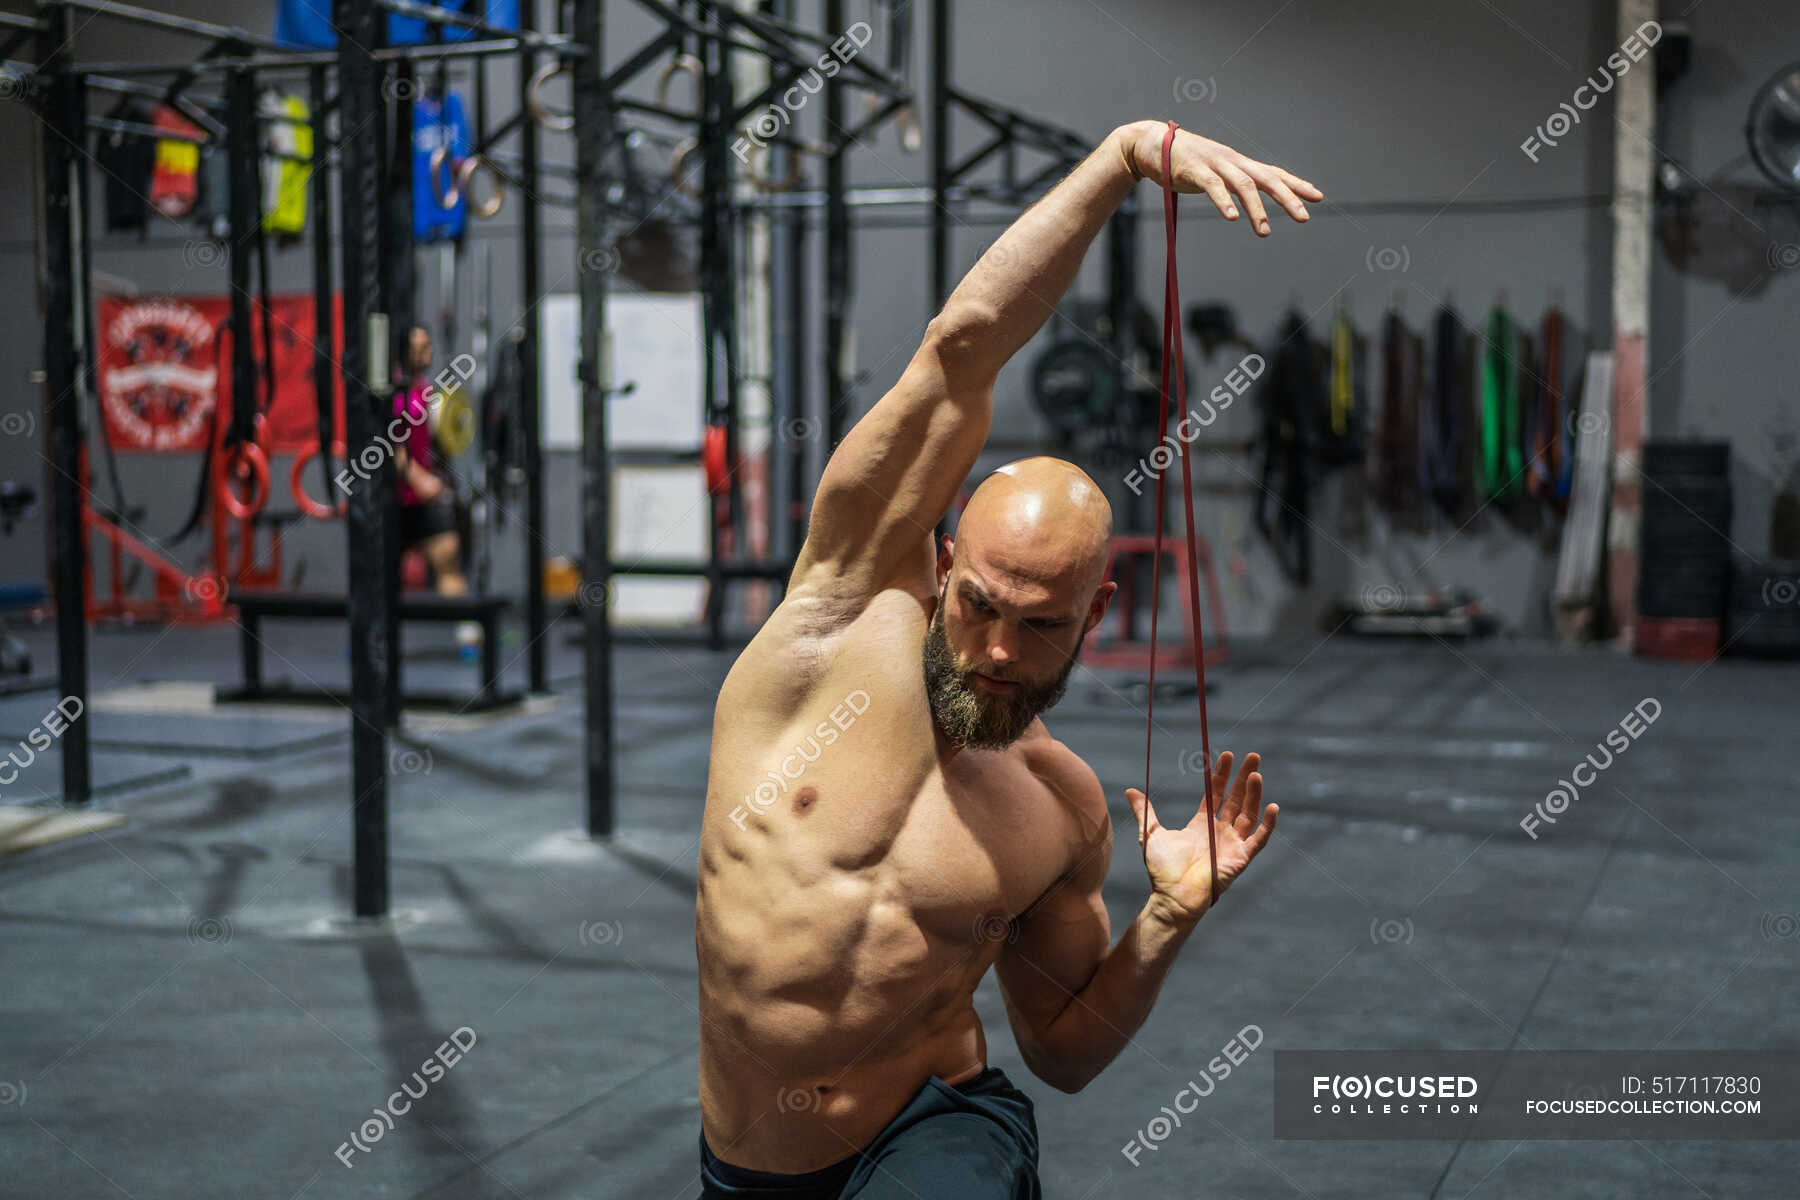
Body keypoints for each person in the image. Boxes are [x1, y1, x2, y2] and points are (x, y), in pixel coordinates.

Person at [695, 120, 1320, 1196]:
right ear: (942, 564)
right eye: (980, 604)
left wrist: (1167, 916)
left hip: (938, 1132)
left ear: (1095, 612)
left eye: (1041, 627)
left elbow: (1065, 1052)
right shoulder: (832, 625)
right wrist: (1122, 156)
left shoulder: (1059, 807)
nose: (995, 649)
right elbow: (962, 349)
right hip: (751, 1165)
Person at [393, 325, 479, 651]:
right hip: (392, 499)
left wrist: (441, 477)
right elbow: (387, 444)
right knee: (381, 572)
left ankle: (467, 633)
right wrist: (416, 477)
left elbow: (438, 441)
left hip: (425, 499)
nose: (426, 352)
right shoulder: (390, 390)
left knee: (447, 556)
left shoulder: (428, 390)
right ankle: (370, 636)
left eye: (428, 345)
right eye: (419, 347)